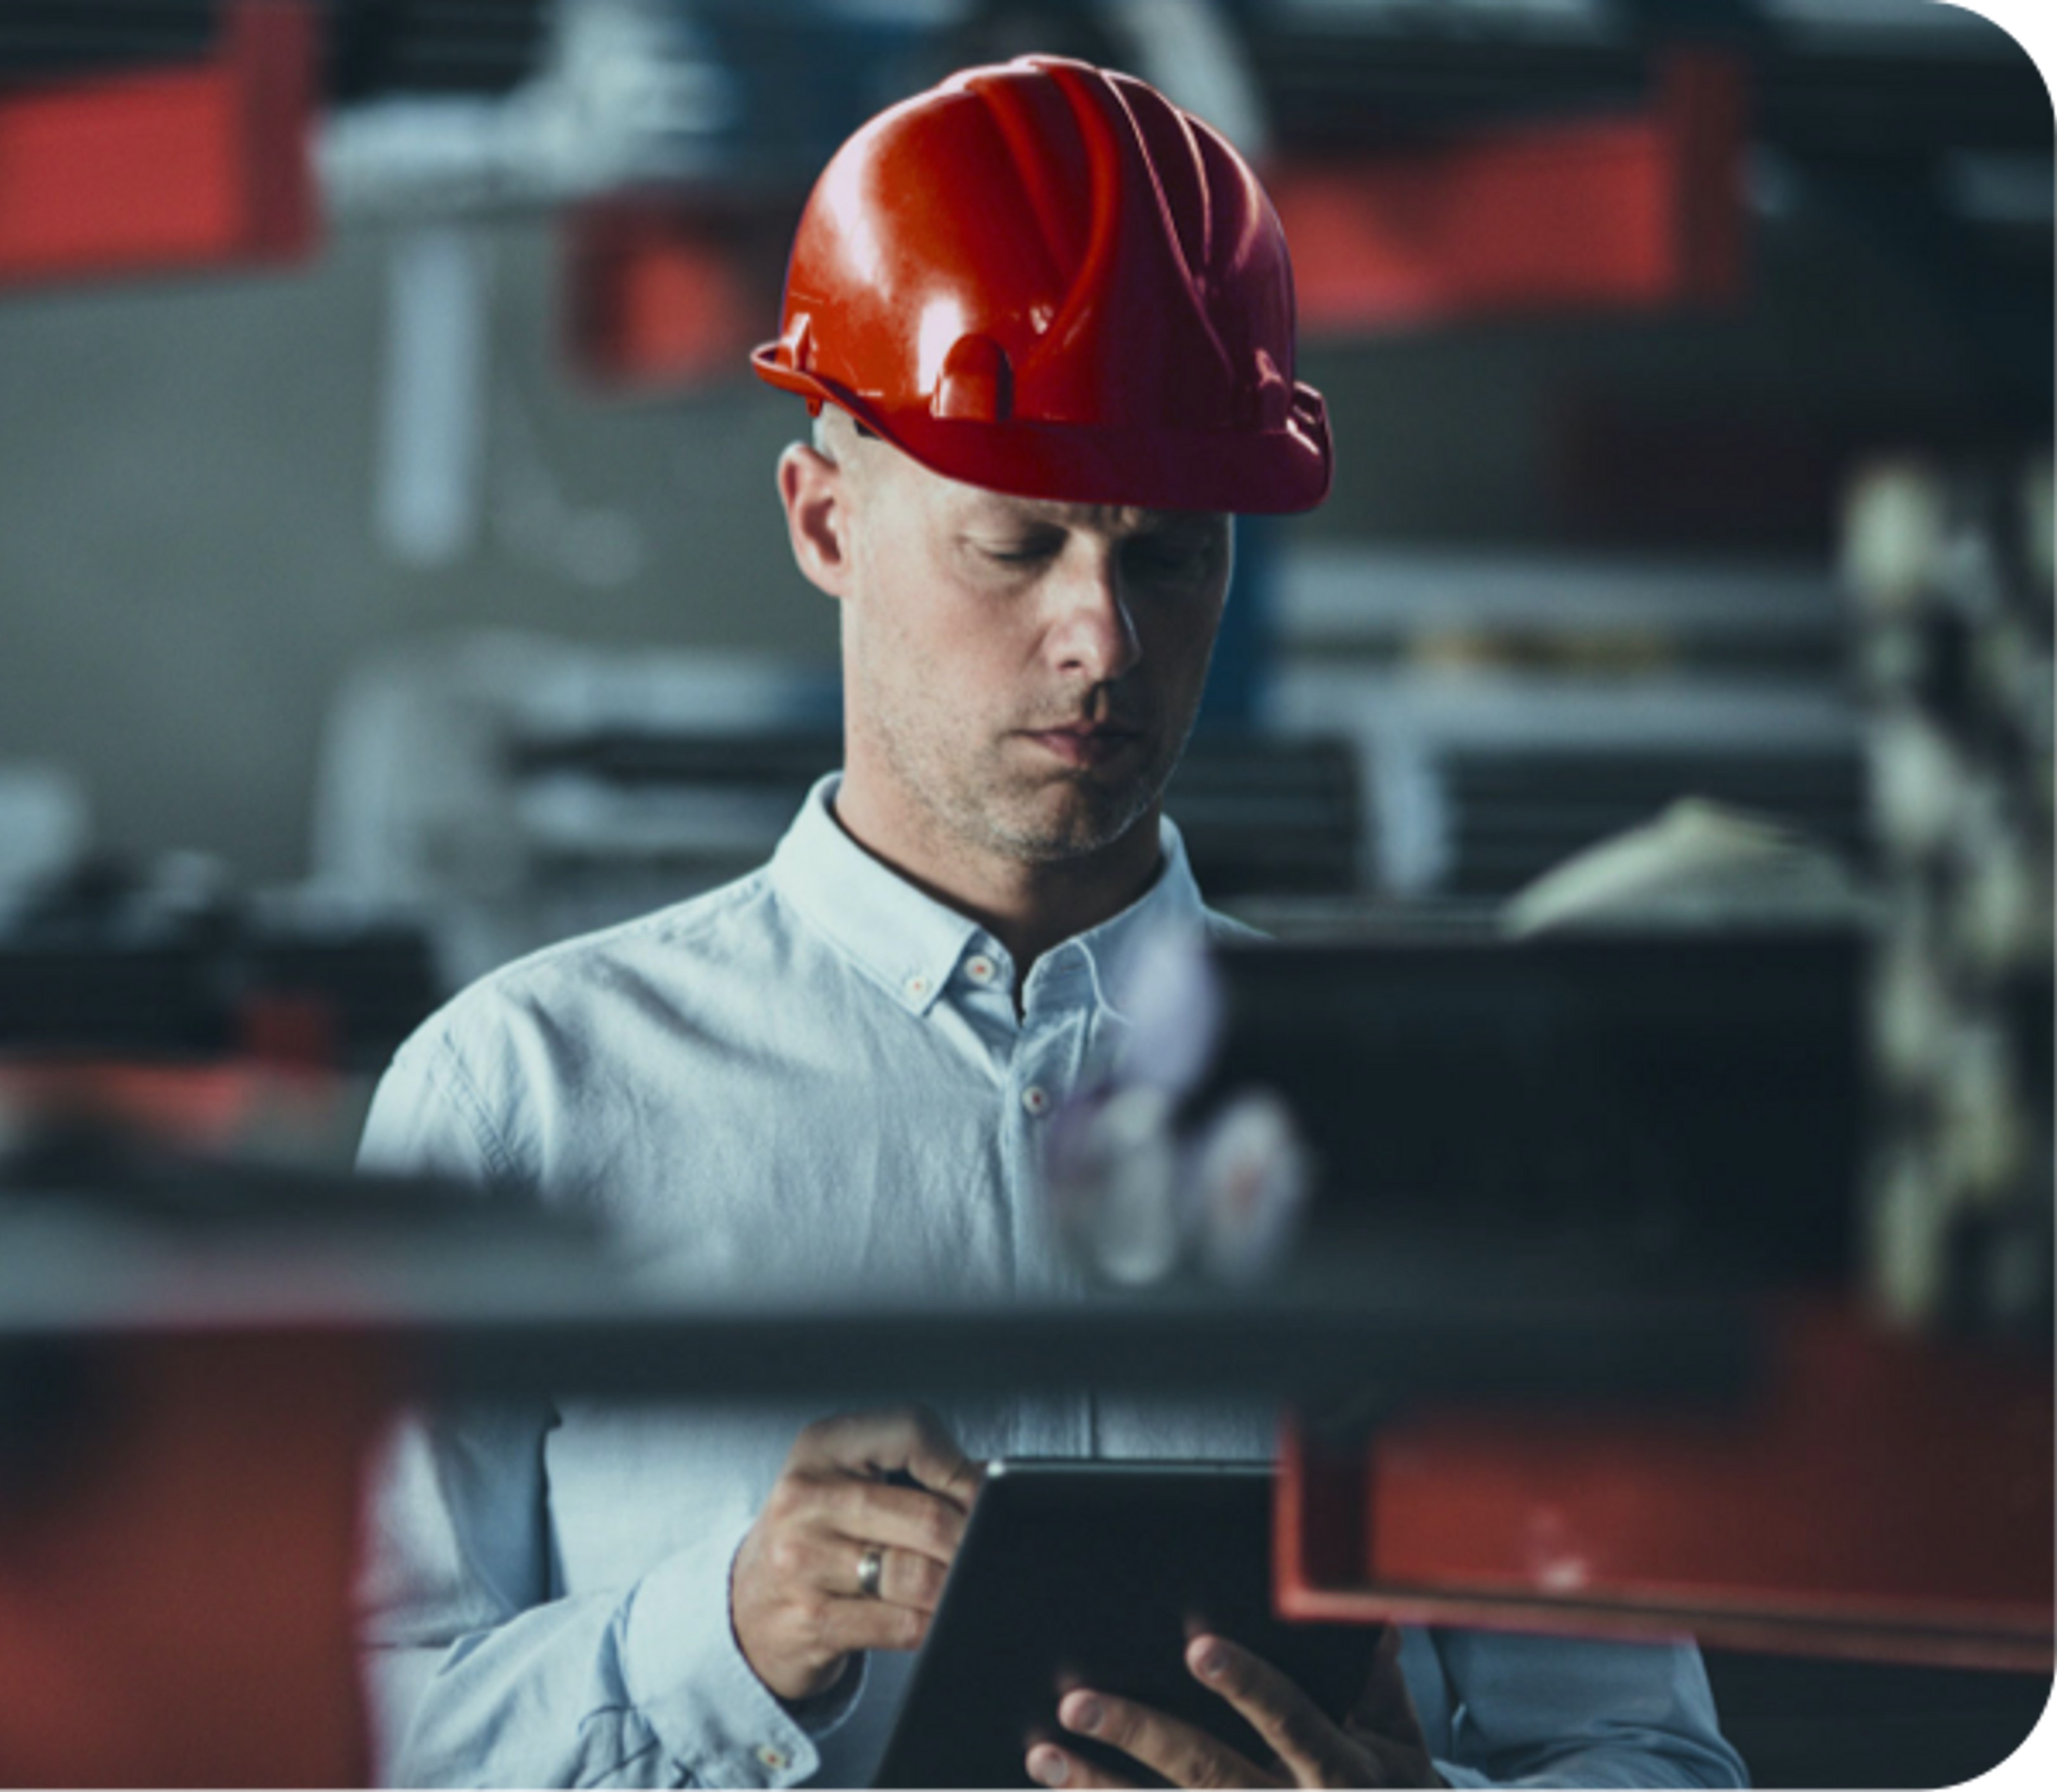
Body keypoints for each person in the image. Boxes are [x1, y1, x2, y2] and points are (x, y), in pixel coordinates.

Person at [356, 54, 1749, 1792]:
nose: (1102, 639)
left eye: (1169, 558)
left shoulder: (1452, 1121)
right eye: (1016, 546)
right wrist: (715, 1636)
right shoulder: (521, 1097)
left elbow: (1651, 1758)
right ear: (823, 518)